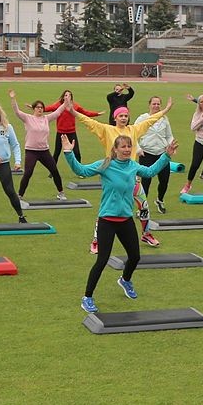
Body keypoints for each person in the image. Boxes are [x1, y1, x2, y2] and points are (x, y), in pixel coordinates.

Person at [63, 133, 175, 313]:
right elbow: (81, 171)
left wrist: (166, 155)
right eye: (122, 147)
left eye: (129, 146)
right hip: (107, 219)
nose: (127, 149)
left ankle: (125, 280)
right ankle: (87, 297)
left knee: (135, 256)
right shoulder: (106, 164)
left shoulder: (133, 166)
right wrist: (69, 153)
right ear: (115, 149)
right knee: (102, 260)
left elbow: (151, 171)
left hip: (126, 219)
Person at [70, 98, 173, 249]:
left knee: (143, 206)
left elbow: (150, 121)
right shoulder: (107, 130)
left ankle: (146, 234)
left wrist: (165, 110)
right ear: (115, 117)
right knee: (106, 210)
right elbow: (90, 123)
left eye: (126, 116)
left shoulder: (134, 130)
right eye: (121, 116)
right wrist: (73, 112)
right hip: (112, 176)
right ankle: (96, 240)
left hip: (131, 176)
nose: (124, 118)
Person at [9, 91, 69, 202]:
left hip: (44, 151)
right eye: (37, 107)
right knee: (28, 173)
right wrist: (13, 98)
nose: (40, 109)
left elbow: (58, 111)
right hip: (31, 151)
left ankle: (61, 193)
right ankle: (20, 196)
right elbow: (17, 111)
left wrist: (66, 101)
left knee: (54, 171)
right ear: (34, 109)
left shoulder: (46, 118)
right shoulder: (27, 118)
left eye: (41, 107)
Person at [135, 96, 176, 214]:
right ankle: (142, 207)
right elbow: (133, 134)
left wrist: (171, 145)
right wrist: (138, 149)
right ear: (149, 105)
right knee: (146, 182)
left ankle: (160, 200)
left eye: (158, 104)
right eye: (154, 104)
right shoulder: (143, 118)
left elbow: (169, 136)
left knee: (164, 180)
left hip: (162, 154)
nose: (156, 106)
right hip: (146, 153)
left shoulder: (164, 119)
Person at [45, 89, 100, 162]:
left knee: (77, 153)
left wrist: (96, 114)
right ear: (63, 97)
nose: (67, 97)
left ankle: (80, 169)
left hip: (72, 132)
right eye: (66, 95)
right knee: (56, 153)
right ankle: (52, 171)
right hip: (61, 133)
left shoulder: (75, 105)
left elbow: (85, 112)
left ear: (71, 97)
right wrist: (34, 107)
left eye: (69, 95)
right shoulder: (58, 105)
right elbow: (48, 108)